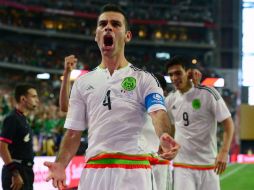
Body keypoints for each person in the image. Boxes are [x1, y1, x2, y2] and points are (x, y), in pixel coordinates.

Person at [44, 4, 180, 190]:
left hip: (133, 170)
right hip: (94, 171)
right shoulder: (83, 83)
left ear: (127, 36)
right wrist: (60, 163)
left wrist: (164, 134)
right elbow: (73, 132)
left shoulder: (144, 79)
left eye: (116, 24)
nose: (108, 27)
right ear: (96, 36)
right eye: (102, 24)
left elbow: (158, 114)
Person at [165, 55, 234, 190]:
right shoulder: (170, 100)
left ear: (189, 72)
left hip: (208, 165)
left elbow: (228, 124)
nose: (174, 78)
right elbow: (170, 129)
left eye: (178, 73)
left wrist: (224, 152)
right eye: (171, 74)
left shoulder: (208, 93)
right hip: (182, 166)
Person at [0, 83, 39, 190]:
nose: (37, 100)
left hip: (26, 171)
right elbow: (2, 147)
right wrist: (15, 173)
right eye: (34, 96)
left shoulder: (23, 118)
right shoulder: (12, 118)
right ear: (23, 99)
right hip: (16, 172)